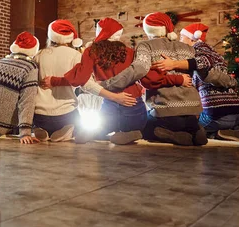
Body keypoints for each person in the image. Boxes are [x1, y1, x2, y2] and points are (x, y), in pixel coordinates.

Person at [43, 18, 181, 145]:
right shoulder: (130, 51)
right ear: (118, 34)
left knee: (104, 125)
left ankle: (99, 131)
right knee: (143, 124)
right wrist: (177, 78)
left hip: (110, 102)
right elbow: (148, 77)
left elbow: (81, 78)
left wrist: (55, 81)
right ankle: (133, 132)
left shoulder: (91, 51)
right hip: (132, 101)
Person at [156, 23, 239, 142]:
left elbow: (202, 62)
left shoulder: (198, 50)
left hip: (218, 116)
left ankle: (217, 133)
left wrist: (173, 64)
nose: (180, 41)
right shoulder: (215, 54)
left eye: (183, 37)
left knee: (188, 127)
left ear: (192, 39)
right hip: (236, 113)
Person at [99, 12, 208, 146]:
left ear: (148, 29)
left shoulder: (147, 46)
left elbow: (138, 69)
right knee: (186, 123)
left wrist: (107, 84)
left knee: (143, 126)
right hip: (193, 111)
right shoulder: (187, 48)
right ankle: (195, 131)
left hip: (166, 110)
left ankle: (173, 135)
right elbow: (204, 65)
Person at [32, 20, 84, 142]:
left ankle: (40, 129)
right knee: (79, 124)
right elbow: (80, 80)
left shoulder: (39, 54)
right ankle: (68, 131)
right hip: (65, 114)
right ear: (71, 38)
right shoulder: (76, 55)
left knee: (42, 122)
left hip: (40, 114)